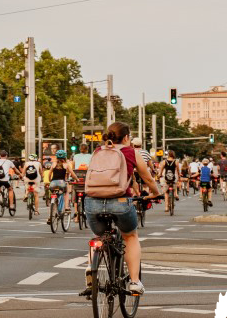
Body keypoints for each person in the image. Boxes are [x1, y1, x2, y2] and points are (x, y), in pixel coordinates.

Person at [82, 121, 161, 297]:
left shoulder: (97, 151)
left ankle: (90, 267)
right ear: (126, 137)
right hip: (120, 200)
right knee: (130, 236)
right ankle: (134, 282)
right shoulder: (131, 152)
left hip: (92, 202)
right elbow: (147, 178)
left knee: (99, 237)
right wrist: (155, 193)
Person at [47, 150, 77, 222]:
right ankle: (66, 207)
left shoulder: (53, 164)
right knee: (66, 193)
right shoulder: (66, 165)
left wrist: (50, 180)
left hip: (53, 183)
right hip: (62, 183)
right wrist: (77, 179)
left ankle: (50, 216)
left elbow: (49, 173)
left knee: (53, 196)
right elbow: (73, 174)